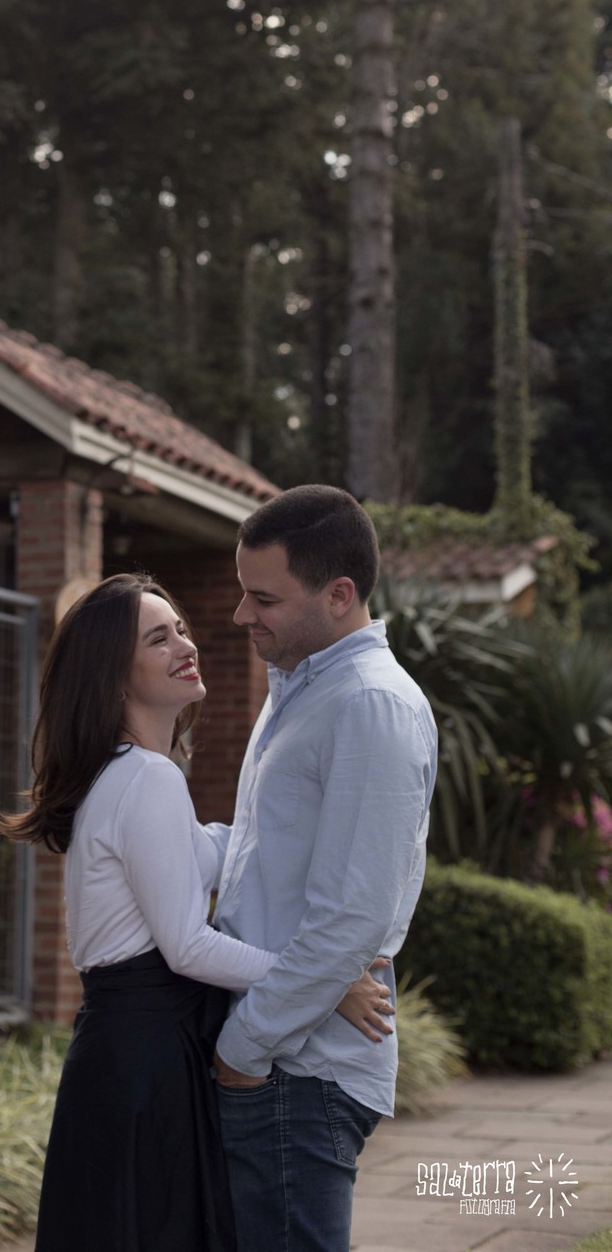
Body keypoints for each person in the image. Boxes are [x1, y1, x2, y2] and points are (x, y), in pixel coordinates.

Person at [0, 572, 395, 1252]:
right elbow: (187, 947)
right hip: (145, 1057)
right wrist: (325, 979)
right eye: (159, 638)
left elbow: (207, 852)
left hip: (131, 1051)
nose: (186, 645)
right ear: (114, 676)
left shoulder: (132, 772)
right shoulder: (144, 778)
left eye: (180, 628)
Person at [210, 485, 438, 1252]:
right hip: (285, 1052)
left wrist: (244, 1049)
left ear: (339, 595)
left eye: (262, 597)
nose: (243, 615)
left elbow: (353, 916)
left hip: (294, 1067)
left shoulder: (368, 705)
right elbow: (261, 854)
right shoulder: (304, 689)